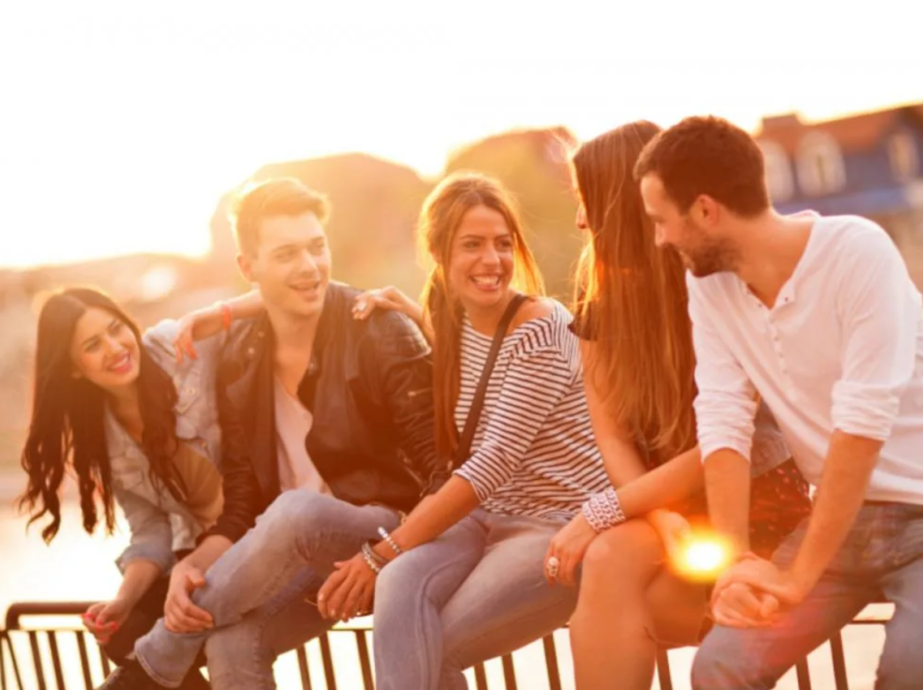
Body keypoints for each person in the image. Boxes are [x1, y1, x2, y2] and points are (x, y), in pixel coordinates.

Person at [633, 115, 923, 689]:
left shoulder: (858, 251)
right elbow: (724, 419)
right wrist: (734, 566)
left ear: (706, 211)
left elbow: (860, 426)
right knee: (720, 664)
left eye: (662, 220)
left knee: (915, 666)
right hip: (839, 524)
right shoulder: (709, 286)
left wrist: (797, 578)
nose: (660, 239)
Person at [96, 177, 447, 690]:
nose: (309, 267)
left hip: (392, 536)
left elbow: (439, 472)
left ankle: (150, 665)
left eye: (316, 247)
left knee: (295, 511)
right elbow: (243, 504)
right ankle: (159, 656)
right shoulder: (241, 357)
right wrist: (190, 568)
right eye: (286, 254)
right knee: (233, 641)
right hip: (310, 558)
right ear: (248, 267)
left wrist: (382, 556)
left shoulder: (377, 328)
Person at [540, 121, 811, 690]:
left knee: (616, 571)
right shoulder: (599, 296)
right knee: (611, 558)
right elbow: (609, 434)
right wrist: (655, 516)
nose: (579, 221)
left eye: (586, 201)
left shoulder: (715, 280)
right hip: (668, 508)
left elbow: (729, 438)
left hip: (751, 498)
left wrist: (602, 511)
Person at [317, 172, 610, 690]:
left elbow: (490, 464)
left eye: (502, 244)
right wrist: (224, 311)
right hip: (485, 519)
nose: (492, 261)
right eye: (471, 245)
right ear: (439, 255)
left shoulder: (541, 328)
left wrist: (378, 553)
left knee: (431, 646)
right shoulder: (452, 317)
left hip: (552, 526)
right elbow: (473, 370)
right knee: (400, 587)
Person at [18, 287, 225, 689]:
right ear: (74, 368)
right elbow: (152, 528)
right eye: (93, 345)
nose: (115, 348)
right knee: (126, 628)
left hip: (248, 530)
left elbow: (265, 314)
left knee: (147, 656)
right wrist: (123, 600)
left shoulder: (170, 347)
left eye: (116, 329)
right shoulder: (103, 437)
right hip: (199, 554)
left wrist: (361, 302)